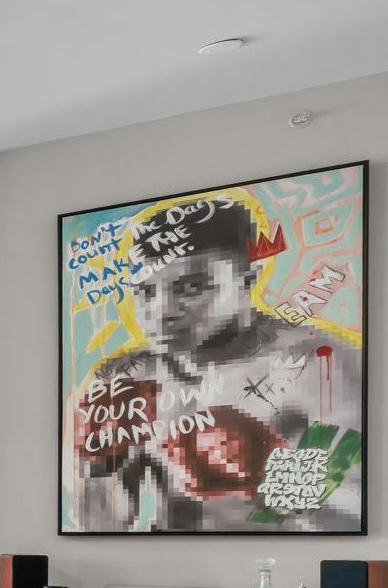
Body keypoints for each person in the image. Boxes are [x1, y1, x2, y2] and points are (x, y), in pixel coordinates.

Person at [68, 191, 360, 531]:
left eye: (191, 287)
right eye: (146, 292)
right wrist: (95, 471)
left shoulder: (318, 364)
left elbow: (357, 508)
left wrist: (260, 468)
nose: (161, 311)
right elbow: (99, 529)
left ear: (247, 281)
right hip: (167, 574)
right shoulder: (127, 380)